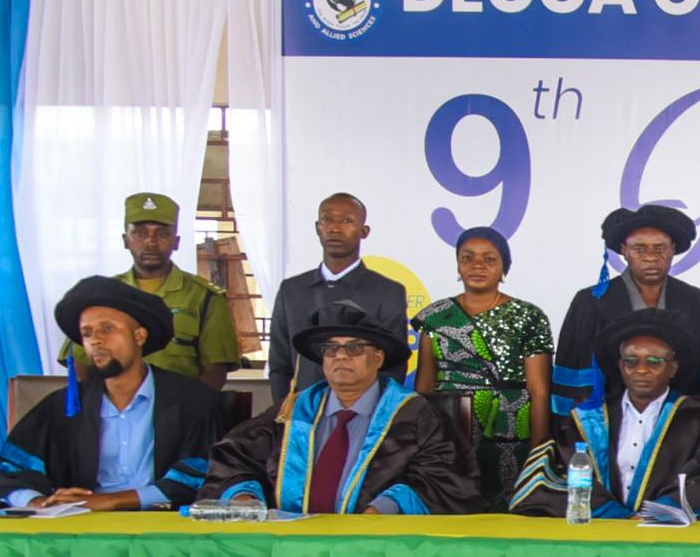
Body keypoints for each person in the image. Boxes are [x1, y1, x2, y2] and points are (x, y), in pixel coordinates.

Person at [208, 299, 476, 514]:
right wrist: (244, 497)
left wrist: (385, 509)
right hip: (291, 546)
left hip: (377, 546)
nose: (340, 356)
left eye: (355, 348)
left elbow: (446, 481)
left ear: (378, 358)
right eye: (330, 349)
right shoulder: (293, 412)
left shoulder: (413, 415)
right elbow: (234, 458)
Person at [0, 276, 226, 511]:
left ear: (139, 336)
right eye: (87, 333)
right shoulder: (62, 407)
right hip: (80, 521)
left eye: (107, 329)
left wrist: (111, 500)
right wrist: (37, 501)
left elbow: (200, 474)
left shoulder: (191, 400)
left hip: (162, 522)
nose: (95, 340)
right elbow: (11, 473)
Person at [511, 311, 700, 521]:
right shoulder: (585, 420)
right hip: (599, 530)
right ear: (620, 366)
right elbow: (558, 474)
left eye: (654, 361)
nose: (641, 369)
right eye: (631, 361)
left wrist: (657, 513)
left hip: (668, 533)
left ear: (672, 369)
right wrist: (615, 514)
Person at [411, 226, 552, 509]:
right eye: (468, 258)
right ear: (458, 266)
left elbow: (539, 391)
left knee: (510, 515)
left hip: (511, 431)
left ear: (504, 269)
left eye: (489, 259)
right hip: (450, 431)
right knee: (453, 511)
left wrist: (538, 455)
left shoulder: (529, 316)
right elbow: (424, 389)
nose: (477, 266)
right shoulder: (434, 317)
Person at [552, 205, 700, 415]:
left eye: (660, 248)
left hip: (685, 420)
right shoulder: (590, 303)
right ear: (624, 250)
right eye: (639, 249)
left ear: (673, 249)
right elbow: (575, 382)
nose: (650, 257)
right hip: (611, 421)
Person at [58, 192, 239, 388]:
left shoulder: (205, 298)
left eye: (162, 234)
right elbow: (79, 362)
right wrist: (97, 401)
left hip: (178, 403)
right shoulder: (99, 296)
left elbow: (215, 371)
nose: (151, 242)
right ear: (125, 240)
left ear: (176, 242)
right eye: (140, 233)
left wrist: (187, 404)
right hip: (111, 404)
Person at [268, 192, 409, 405]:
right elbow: (279, 362)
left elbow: (393, 366)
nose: (335, 228)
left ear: (364, 231)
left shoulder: (388, 291)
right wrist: (287, 409)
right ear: (317, 227)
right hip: (302, 414)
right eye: (327, 219)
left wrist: (369, 413)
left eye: (347, 221)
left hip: (364, 415)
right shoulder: (292, 290)